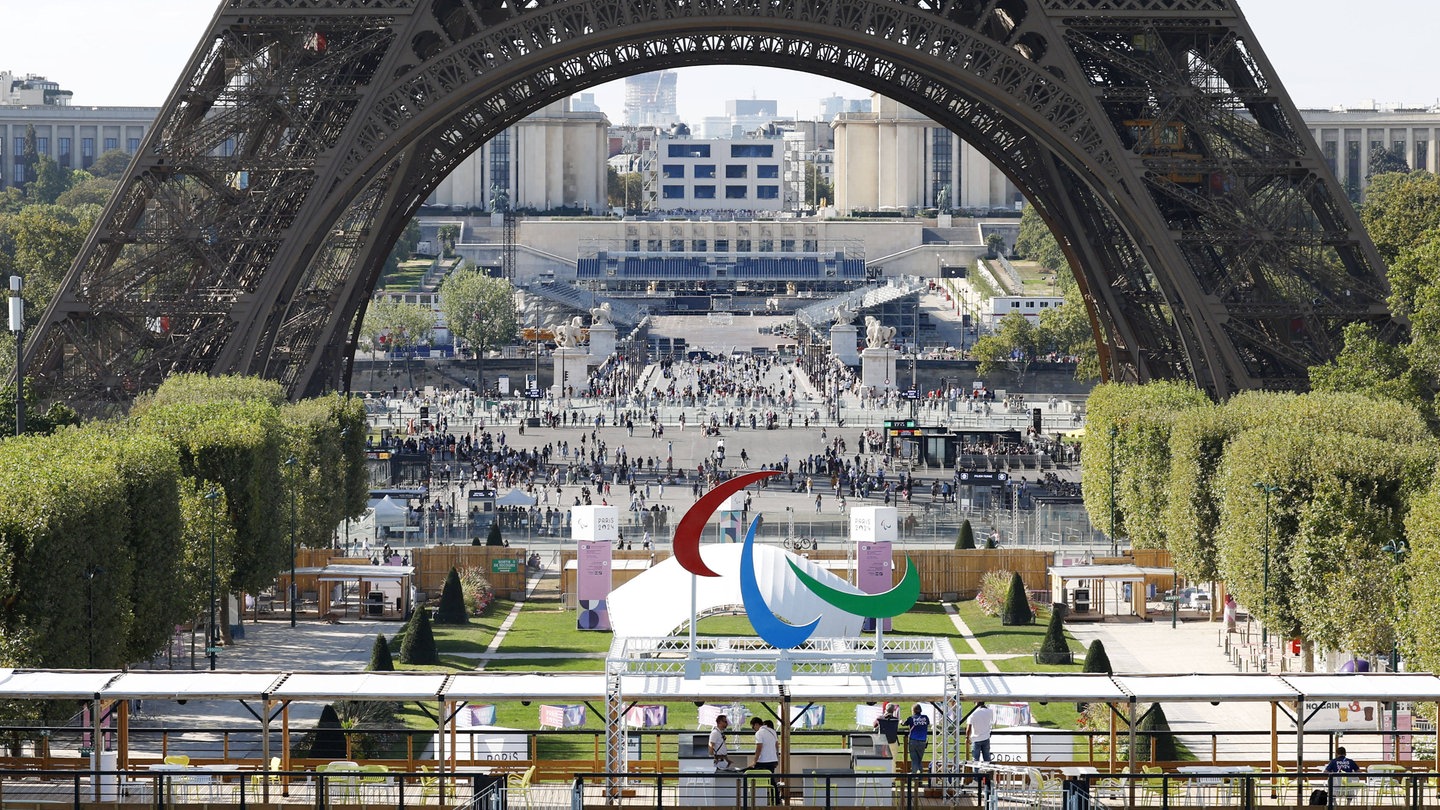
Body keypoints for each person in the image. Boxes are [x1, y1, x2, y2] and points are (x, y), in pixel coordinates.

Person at [748, 716, 780, 802]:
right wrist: (777, 758)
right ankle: (775, 800)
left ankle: (759, 800)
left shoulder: (759, 733)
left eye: (753, 726)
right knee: (771, 780)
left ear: (757, 724)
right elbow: (777, 746)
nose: (753, 729)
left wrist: (754, 761)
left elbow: (759, 748)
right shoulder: (773, 731)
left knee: (757, 780)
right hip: (772, 760)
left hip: (763, 761)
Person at [899, 703, 930, 774]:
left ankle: (914, 775)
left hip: (913, 741)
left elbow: (904, 723)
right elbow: (927, 723)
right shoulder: (925, 717)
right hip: (922, 741)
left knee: (914, 759)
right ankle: (920, 778)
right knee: (919, 759)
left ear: (913, 711)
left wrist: (901, 721)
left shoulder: (911, 718)